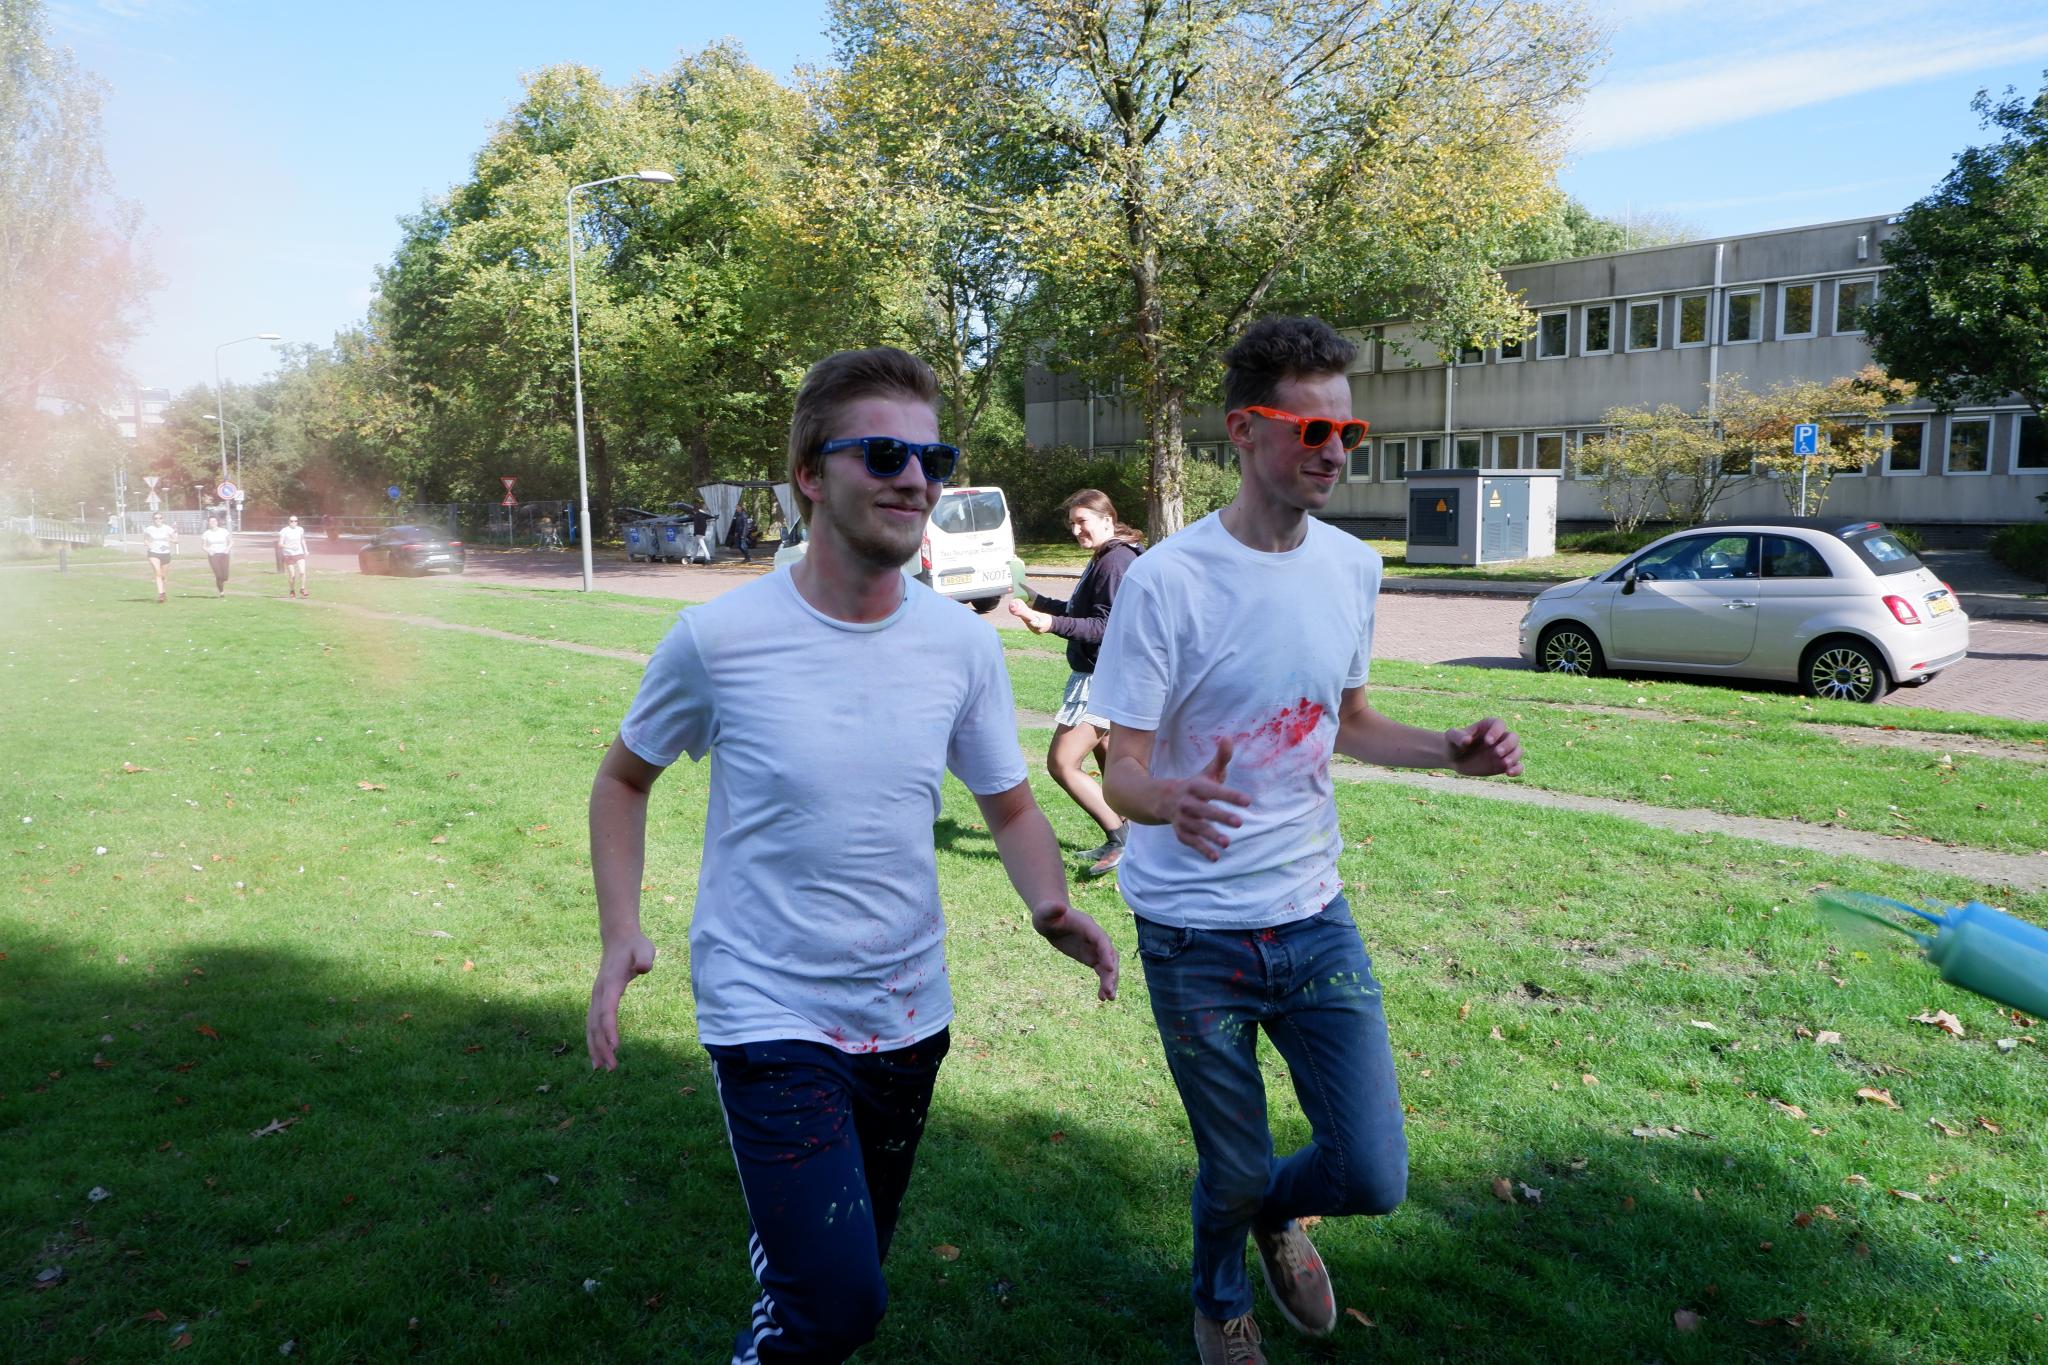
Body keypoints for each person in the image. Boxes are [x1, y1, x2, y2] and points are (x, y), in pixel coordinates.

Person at [586, 346, 1119, 1365]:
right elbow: (622, 779)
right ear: (807, 474)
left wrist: (1050, 904)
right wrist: (622, 932)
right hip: (767, 1014)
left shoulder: (961, 646)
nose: (914, 479)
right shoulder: (718, 638)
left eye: (932, 458)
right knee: (835, 1306)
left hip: (909, 1016)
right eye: (882, 454)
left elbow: (1009, 803)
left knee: (837, 1289)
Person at [1095, 315, 1523, 1365]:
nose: (1334, 452)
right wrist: (1167, 800)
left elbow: (1350, 722)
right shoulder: (1168, 581)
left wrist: (1448, 751)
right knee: (1232, 1162)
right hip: (1193, 932)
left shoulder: (1350, 567)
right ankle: (1217, 1298)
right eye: (1311, 430)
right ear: (1244, 430)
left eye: (1348, 432)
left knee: (1371, 1173)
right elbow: (1119, 769)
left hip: (1313, 918)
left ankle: (1272, 1212)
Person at [1007, 489, 1143, 878]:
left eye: (1082, 521)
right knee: (1110, 761)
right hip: (1103, 676)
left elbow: (1104, 626)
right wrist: (1037, 601)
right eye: (1072, 524)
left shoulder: (1115, 561)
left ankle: (1122, 839)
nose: (1076, 530)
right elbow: (1078, 612)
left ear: (1107, 519)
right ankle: (1135, 839)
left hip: (1101, 680)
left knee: (1063, 762)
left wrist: (1049, 623)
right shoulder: (1107, 555)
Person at [141, 512, 177, 603]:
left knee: (163, 575)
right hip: (153, 553)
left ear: (163, 519)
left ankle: (163, 592)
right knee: (157, 572)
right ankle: (160, 594)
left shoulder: (168, 528)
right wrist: (148, 545)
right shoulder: (149, 529)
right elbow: (145, 539)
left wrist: (169, 539)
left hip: (165, 553)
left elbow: (176, 540)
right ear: (153, 520)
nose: (158, 520)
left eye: (160, 518)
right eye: (156, 518)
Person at [277, 514, 310, 598]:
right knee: (292, 575)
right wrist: (289, 547)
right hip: (288, 554)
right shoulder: (284, 530)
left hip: (299, 553)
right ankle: (292, 590)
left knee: (302, 572)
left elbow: (302, 540)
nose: (294, 522)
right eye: (292, 521)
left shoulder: (300, 529)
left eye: (295, 521)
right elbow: (280, 544)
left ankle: (303, 589)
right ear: (289, 522)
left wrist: (306, 550)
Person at [200, 515, 233, 598]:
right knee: (218, 575)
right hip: (213, 555)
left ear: (217, 522)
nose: (212, 523)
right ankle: (221, 592)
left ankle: (222, 581)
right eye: (210, 521)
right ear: (208, 523)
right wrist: (209, 551)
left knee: (225, 576)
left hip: (224, 554)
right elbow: (203, 546)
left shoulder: (224, 531)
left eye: (214, 521)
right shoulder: (206, 533)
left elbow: (231, 542)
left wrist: (227, 549)